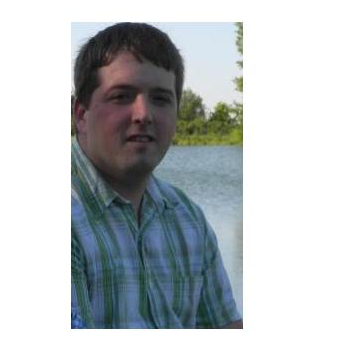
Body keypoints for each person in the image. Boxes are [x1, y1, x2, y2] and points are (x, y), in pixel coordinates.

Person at [71, 22, 242, 329]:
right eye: (121, 96)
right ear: (81, 114)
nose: (144, 114)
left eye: (161, 99)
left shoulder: (187, 217)